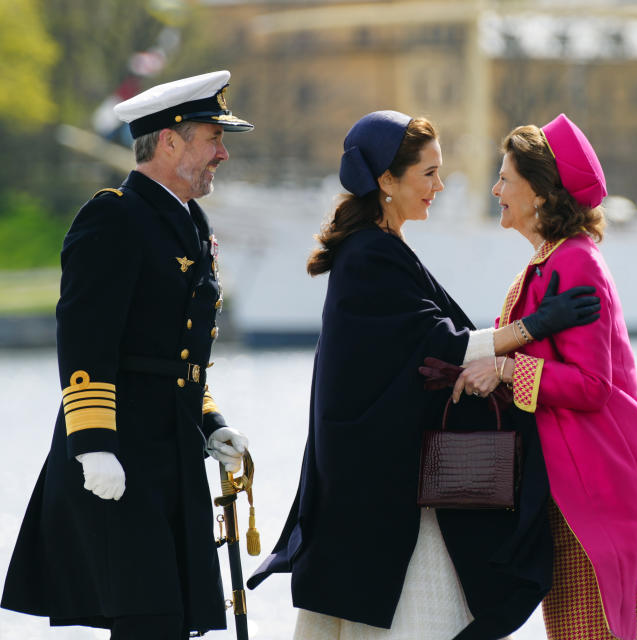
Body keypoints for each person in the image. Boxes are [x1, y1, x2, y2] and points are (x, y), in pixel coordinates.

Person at [246, 110, 602, 640]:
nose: (440, 186)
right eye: (429, 173)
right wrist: (534, 327)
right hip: (380, 499)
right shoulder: (371, 254)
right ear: (387, 181)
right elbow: (439, 348)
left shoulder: (377, 249)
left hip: (378, 487)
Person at [1, 70, 253, 639]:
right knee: (149, 618)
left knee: (173, 620)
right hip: (120, 453)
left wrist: (211, 421)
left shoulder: (191, 223)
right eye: (213, 137)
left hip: (174, 452)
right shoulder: (114, 216)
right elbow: (86, 338)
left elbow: (178, 348)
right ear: (169, 140)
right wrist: (92, 446)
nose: (224, 153)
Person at [450, 114, 637, 640]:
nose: (496, 189)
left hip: (593, 488)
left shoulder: (574, 263)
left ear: (542, 193)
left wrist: (504, 368)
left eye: (506, 178)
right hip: (565, 487)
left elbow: (593, 386)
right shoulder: (547, 261)